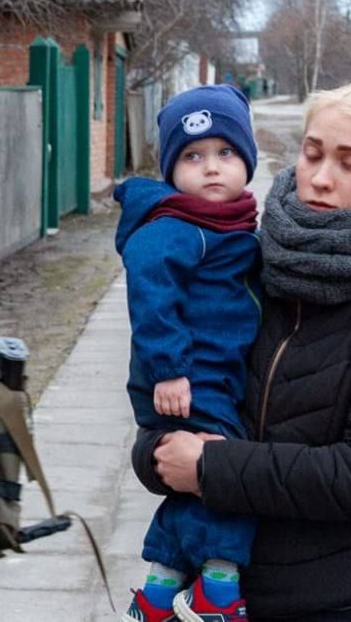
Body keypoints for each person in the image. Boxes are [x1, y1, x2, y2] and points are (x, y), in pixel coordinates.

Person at [133, 82, 351, 622]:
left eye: (349, 162)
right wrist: (155, 453)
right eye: (312, 153)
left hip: (319, 601)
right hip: (216, 590)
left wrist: (209, 467)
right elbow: (178, 396)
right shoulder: (255, 260)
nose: (319, 177)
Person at [113, 84, 261, 622]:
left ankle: (157, 593)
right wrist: (169, 369)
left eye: (226, 153)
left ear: (248, 159)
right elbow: (150, 294)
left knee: (192, 486)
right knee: (226, 469)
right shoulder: (177, 226)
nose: (212, 168)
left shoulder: (231, 225)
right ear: (172, 169)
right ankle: (219, 589)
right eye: (193, 157)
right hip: (187, 380)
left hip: (211, 377)